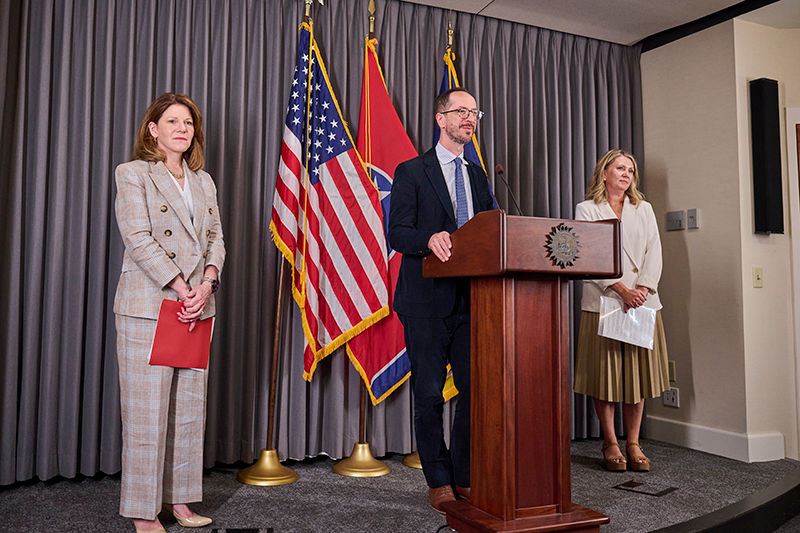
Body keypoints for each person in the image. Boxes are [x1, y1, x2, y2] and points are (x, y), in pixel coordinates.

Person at [114, 93, 225, 532]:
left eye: (189, 122)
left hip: (198, 306)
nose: (183, 128)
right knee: (146, 413)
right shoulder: (133, 174)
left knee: (188, 410)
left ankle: (180, 502)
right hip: (152, 305)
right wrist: (182, 287)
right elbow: (138, 239)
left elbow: (216, 236)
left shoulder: (204, 181)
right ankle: (144, 510)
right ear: (153, 129)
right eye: (172, 121)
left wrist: (208, 282)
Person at [388, 88, 496, 513]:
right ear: (441, 119)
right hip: (425, 302)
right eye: (462, 112)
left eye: (475, 112)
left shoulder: (479, 175)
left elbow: (494, 230)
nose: (470, 119)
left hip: (474, 302)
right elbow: (397, 233)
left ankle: (465, 474)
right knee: (430, 394)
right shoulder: (412, 171)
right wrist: (429, 239)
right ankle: (438, 478)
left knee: (473, 393)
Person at [574, 149, 669, 473]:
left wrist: (641, 289)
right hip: (606, 300)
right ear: (605, 173)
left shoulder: (645, 209)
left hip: (642, 301)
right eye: (620, 168)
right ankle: (610, 442)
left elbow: (653, 251)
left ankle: (633, 442)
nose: (626, 174)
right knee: (606, 376)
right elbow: (585, 255)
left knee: (636, 377)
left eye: (631, 169)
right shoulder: (587, 210)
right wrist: (621, 290)